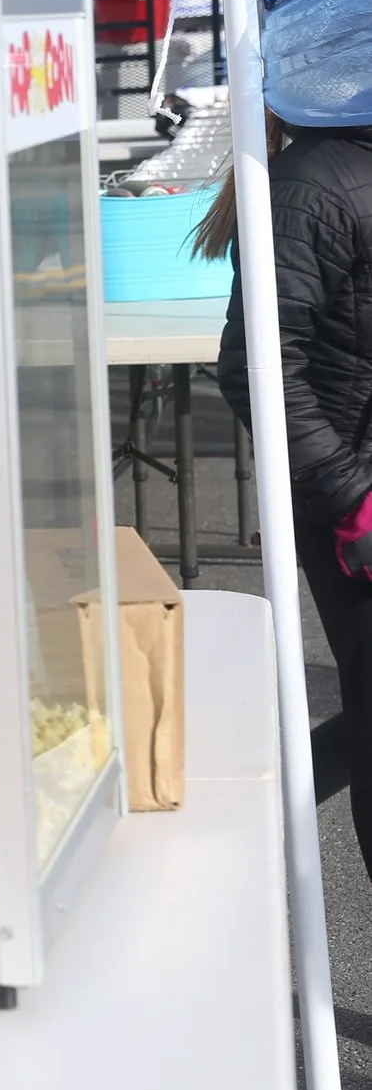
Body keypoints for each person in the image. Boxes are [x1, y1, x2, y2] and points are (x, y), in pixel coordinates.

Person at [211, 117, 372, 877]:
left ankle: (239, 816)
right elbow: (257, 369)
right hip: (354, 509)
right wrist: (354, 503)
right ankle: (228, 824)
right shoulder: (314, 181)